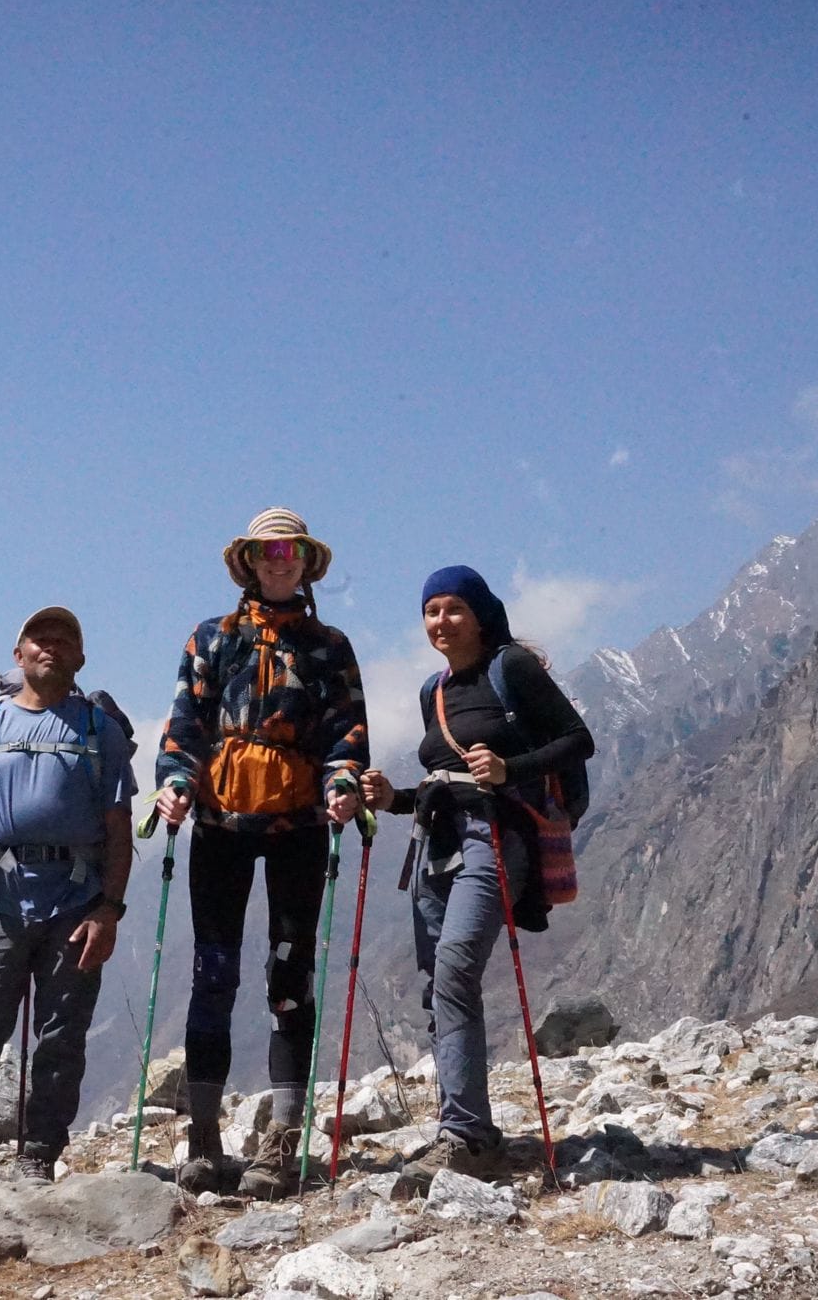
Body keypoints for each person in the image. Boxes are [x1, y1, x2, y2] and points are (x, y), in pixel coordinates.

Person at [153, 507, 368, 1199]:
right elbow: (186, 723)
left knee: (290, 980)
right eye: (268, 549)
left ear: (307, 561)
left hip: (300, 828)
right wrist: (176, 784)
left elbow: (346, 732)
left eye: (293, 548)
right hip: (219, 826)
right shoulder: (211, 639)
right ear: (248, 560)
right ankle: (204, 1140)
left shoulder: (330, 647)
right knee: (213, 975)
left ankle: (280, 1143)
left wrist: (343, 783)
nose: (281, 558)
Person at [360, 566, 594, 1185]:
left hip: (495, 839)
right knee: (437, 987)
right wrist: (394, 799)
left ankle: (466, 1134)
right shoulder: (429, 691)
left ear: (481, 612)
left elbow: (578, 741)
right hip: (435, 845)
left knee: (456, 967)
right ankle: (462, 1127)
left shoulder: (511, 668)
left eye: (453, 608)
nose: (441, 621)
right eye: (431, 610)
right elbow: (445, 781)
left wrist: (509, 768)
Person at [0, 605, 135, 1187]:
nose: (51, 647)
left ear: (80, 658)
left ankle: (38, 1156)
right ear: (17, 655)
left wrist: (109, 909)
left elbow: (118, 826)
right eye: (38, 639)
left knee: (61, 1037)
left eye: (64, 639)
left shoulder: (101, 730)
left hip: (75, 904)